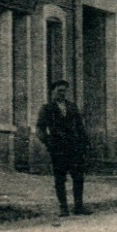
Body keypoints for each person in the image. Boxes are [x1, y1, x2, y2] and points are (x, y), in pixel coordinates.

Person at [36, 81, 91, 217]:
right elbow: (40, 128)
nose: (62, 93)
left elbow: (80, 127)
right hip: (58, 148)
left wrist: (85, 144)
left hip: (74, 147)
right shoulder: (47, 108)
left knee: (78, 176)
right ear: (52, 92)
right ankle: (63, 208)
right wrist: (48, 142)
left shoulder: (72, 107)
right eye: (59, 91)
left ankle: (78, 206)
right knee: (60, 178)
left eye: (64, 91)